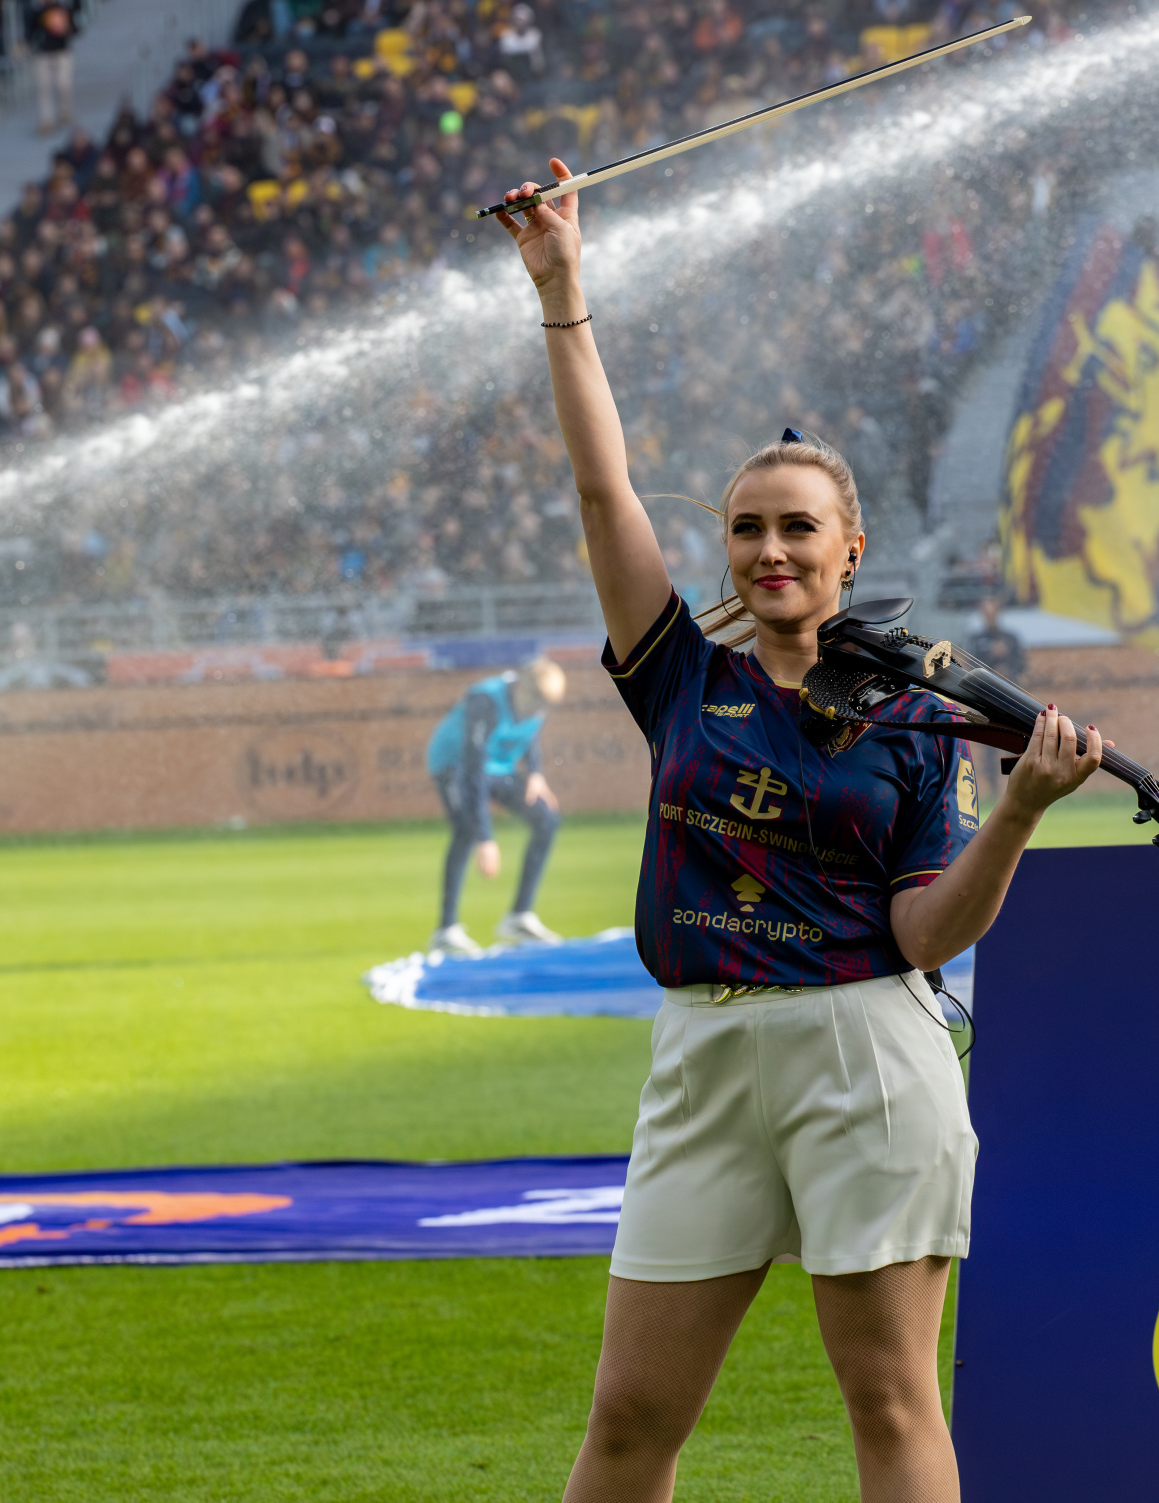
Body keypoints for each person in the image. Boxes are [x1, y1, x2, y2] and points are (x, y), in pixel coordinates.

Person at [495, 162, 1108, 1503]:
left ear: (850, 550)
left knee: (888, 1399)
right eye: (746, 530)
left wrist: (1016, 811)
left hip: (864, 1051)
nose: (769, 550)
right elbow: (604, 496)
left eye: (797, 529)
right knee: (630, 1416)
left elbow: (923, 934)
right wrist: (561, 292)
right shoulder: (679, 675)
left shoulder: (917, 716)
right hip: (701, 1052)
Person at [425, 654, 568, 955]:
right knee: (466, 831)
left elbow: (529, 734)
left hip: (498, 767)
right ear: (522, 689)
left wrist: (536, 774)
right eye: (536, 704)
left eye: (544, 707)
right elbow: (472, 772)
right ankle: (446, 930)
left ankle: (519, 916)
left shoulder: (535, 703)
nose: (538, 712)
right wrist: (486, 839)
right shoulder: (485, 701)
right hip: (454, 766)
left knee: (547, 820)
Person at [965, 596, 1027, 803]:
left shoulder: (1011, 638)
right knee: (990, 745)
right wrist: (992, 659)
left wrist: (1007, 668)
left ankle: (1019, 785)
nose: (989, 615)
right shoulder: (976, 639)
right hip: (988, 701)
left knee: (1018, 741)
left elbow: (1022, 665)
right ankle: (993, 789)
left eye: (992, 610)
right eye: (985, 611)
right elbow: (971, 669)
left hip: (1012, 701)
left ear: (998, 612)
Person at [27, 0, 78, 137]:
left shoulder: (64, 10)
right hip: (43, 54)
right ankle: (46, 120)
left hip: (62, 52)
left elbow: (74, 30)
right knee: (44, 89)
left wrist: (66, 26)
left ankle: (64, 112)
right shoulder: (37, 13)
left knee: (64, 85)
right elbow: (30, 33)